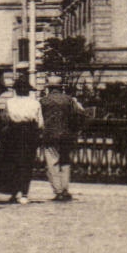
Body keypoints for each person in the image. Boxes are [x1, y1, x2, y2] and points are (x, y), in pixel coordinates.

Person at [39, 74, 90, 202]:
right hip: (67, 135)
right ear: (61, 87)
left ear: (48, 88)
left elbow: (39, 119)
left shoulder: (43, 101)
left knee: (52, 163)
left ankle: (58, 191)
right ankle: (65, 189)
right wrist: (76, 129)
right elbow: (82, 114)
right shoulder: (69, 100)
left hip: (50, 135)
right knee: (65, 162)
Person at [1, 75, 44, 203]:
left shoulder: (9, 102)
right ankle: (24, 193)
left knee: (13, 163)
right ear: (28, 90)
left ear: (16, 90)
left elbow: (5, 119)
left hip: (13, 134)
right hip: (29, 133)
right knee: (27, 163)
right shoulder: (35, 103)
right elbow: (40, 123)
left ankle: (14, 192)